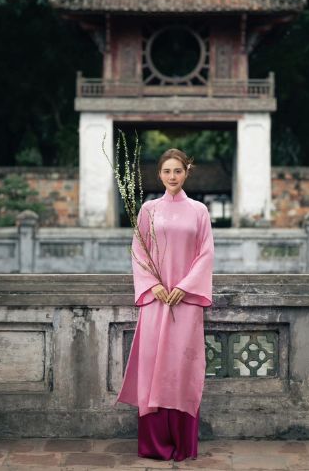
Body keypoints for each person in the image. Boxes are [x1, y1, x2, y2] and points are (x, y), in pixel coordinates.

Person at [116, 148, 214, 460]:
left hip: (185, 303)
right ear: (159, 174)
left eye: (178, 171)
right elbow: (139, 250)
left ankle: (183, 443)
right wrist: (154, 285)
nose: (172, 176)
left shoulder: (199, 211)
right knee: (153, 367)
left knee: (182, 368)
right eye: (167, 171)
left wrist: (184, 288)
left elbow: (205, 254)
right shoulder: (148, 210)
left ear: (187, 173)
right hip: (156, 301)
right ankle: (155, 445)